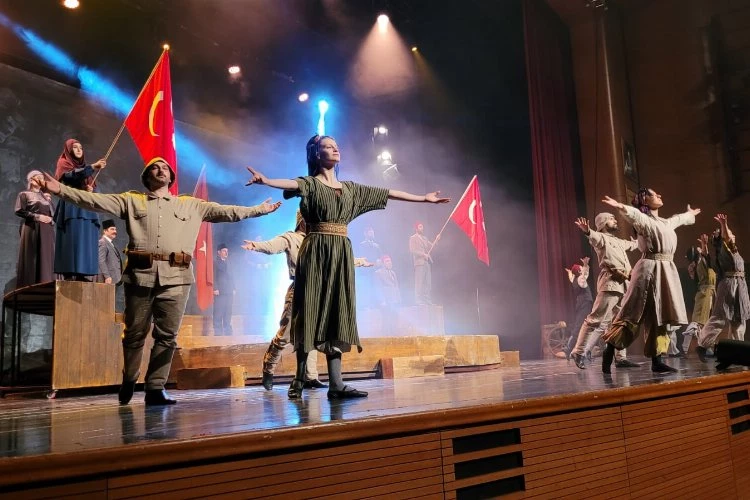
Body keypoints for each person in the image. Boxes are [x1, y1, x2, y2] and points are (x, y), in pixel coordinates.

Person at [33, 158, 281, 405]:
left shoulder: (192, 205)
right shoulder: (131, 201)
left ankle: (155, 387)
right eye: (155, 167)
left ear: (171, 177)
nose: (161, 170)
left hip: (177, 278)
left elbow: (228, 212)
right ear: (146, 176)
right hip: (140, 276)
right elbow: (93, 201)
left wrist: (259, 210)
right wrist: (59, 189)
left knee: (167, 336)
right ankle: (130, 379)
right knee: (134, 333)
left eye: (165, 168)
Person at [244, 134, 450, 400]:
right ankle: (299, 378)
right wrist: (266, 180)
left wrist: (423, 198)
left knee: (338, 311)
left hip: (340, 252)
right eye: (327, 146)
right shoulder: (310, 184)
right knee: (309, 313)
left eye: (335, 145)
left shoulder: (351, 189)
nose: (335, 149)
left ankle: (336, 384)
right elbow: (291, 183)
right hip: (316, 250)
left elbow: (387, 193)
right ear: (317, 154)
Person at [244, 211, 372, 390]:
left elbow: (334, 260)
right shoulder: (291, 238)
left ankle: (310, 377)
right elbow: (273, 246)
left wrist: (359, 261)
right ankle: (269, 367)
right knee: (285, 335)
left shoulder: (318, 240)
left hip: (317, 292)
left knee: (312, 334)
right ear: (302, 221)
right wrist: (256, 245)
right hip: (299, 290)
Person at [600, 188, 700, 374]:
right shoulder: (644, 221)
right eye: (654, 194)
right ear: (644, 200)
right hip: (648, 269)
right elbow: (635, 215)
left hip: (666, 270)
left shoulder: (664, 222)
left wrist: (690, 214)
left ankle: (657, 359)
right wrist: (621, 206)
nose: (660, 195)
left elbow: (679, 219)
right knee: (633, 312)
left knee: (660, 314)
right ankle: (611, 347)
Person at [567, 214, 640, 370]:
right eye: (612, 219)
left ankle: (620, 358)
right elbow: (593, 237)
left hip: (624, 284)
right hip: (610, 282)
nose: (615, 220)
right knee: (595, 319)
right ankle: (578, 351)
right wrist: (587, 231)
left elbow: (632, 245)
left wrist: (640, 237)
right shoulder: (601, 238)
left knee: (619, 322)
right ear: (603, 223)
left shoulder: (618, 241)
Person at [696, 214, 749, 361]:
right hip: (729, 284)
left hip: (739, 285)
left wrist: (705, 246)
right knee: (720, 316)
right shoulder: (727, 249)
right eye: (730, 233)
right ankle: (703, 344)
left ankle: (737, 350)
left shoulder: (726, 252)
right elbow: (726, 239)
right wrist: (723, 224)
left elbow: (708, 260)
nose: (733, 235)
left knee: (738, 317)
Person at [53, 139, 106, 281]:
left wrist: (91, 190)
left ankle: (83, 273)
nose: (78, 150)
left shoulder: (86, 170)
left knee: (86, 241)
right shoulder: (64, 163)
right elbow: (71, 176)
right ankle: (69, 273)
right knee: (72, 240)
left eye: (81, 148)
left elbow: (95, 189)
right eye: (75, 147)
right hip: (72, 207)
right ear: (68, 150)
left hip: (87, 209)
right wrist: (93, 166)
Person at [15, 170, 55, 288]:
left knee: (46, 257)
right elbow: (19, 210)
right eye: (39, 177)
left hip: (47, 230)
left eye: (43, 178)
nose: (42, 180)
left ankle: (46, 283)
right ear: (32, 180)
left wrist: (50, 218)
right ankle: (31, 285)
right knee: (33, 256)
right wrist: (38, 217)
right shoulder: (24, 194)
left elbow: (54, 214)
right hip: (33, 228)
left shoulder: (45, 197)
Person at [680, 239, 716, 354]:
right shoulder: (699, 263)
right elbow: (706, 255)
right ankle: (686, 346)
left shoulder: (697, 264)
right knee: (699, 321)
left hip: (707, 292)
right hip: (705, 292)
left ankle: (705, 347)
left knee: (705, 322)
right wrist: (704, 245)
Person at [564, 257, 593, 360]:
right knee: (580, 327)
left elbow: (571, 277)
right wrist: (585, 265)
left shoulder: (574, 279)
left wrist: (570, 272)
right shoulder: (580, 279)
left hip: (582, 304)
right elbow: (585, 275)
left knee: (583, 327)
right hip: (585, 304)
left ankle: (583, 351)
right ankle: (569, 348)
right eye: (581, 268)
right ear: (580, 271)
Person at [410, 221, 437, 305]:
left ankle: (427, 299)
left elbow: (432, 246)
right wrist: (423, 254)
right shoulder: (413, 238)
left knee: (427, 282)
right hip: (419, 263)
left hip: (426, 262)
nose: (422, 228)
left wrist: (437, 239)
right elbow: (412, 250)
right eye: (420, 227)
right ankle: (418, 300)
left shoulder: (425, 238)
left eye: (422, 227)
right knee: (419, 282)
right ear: (416, 228)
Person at [375, 254, 402, 335]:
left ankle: (393, 335)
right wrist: (382, 300)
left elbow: (396, 286)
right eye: (387, 261)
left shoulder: (393, 273)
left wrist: (398, 298)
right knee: (386, 318)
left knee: (394, 317)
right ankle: (385, 336)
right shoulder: (378, 273)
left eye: (390, 261)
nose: (389, 262)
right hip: (386, 300)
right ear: (383, 263)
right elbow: (378, 288)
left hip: (394, 299)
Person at [213, 243, 235, 336]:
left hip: (229, 290)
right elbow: (213, 276)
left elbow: (232, 276)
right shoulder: (215, 262)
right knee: (219, 311)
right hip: (220, 291)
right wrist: (215, 288)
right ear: (219, 252)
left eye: (227, 251)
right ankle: (218, 331)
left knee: (228, 311)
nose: (226, 253)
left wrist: (234, 287)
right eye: (224, 251)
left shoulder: (229, 262)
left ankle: (227, 331)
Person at [97, 219, 122, 284]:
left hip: (114, 279)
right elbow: (101, 261)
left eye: (115, 229)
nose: (115, 231)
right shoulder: (103, 243)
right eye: (112, 229)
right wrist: (107, 276)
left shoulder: (109, 243)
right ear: (105, 231)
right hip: (108, 280)